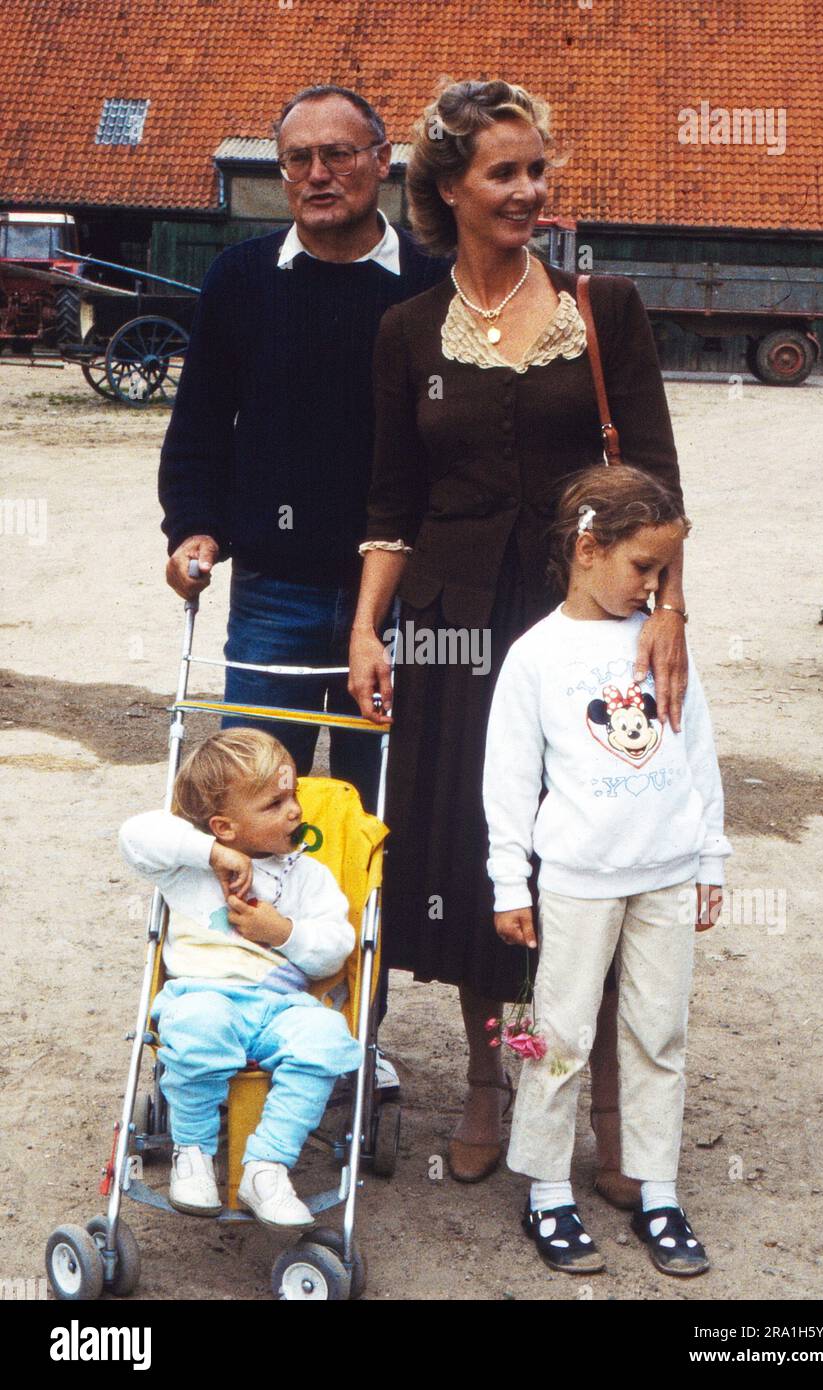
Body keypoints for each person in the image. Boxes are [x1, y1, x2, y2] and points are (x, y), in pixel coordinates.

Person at [348, 80, 690, 1190]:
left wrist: (669, 611)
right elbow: (389, 503)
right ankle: (494, 1079)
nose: (530, 191)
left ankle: (602, 1106)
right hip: (454, 635)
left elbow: (656, 481)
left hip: (588, 627)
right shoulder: (405, 329)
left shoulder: (607, 310)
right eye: (504, 172)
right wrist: (367, 628)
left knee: (594, 851)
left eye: (537, 170)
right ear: (448, 188)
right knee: (471, 849)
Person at [158, 84, 447, 816]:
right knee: (252, 804)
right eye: (298, 160)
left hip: (400, 602)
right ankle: (257, 932)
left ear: (382, 161)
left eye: (337, 154)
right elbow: (198, 428)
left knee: (380, 809)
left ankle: (370, 935)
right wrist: (192, 527)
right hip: (273, 595)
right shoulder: (240, 278)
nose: (317, 175)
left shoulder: (434, 284)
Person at [483, 465, 731, 1276]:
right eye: (643, 569)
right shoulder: (537, 656)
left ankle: (659, 1189)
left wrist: (709, 857)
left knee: (660, 1031)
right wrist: (507, 881)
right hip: (580, 879)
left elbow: (696, 752)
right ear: (588, 549)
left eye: (662, 573)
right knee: (559, 1035)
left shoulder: (660, 640)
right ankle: (547, 1192)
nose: (655, 587)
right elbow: (510, 780)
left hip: (664, 870)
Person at [118, 729, 363, 1228]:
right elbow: (134, 836)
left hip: (280, 1004)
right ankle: (193, 1151)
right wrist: (214, 855)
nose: (295, 810)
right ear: (223, 826)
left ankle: (266, 1165)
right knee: (196, 1027)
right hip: (203, 993)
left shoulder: (306, 874)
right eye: (275, 803)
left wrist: (286, 933)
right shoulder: (188, 867)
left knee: (325, 1038)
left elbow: (336, 946)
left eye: (293, 796)